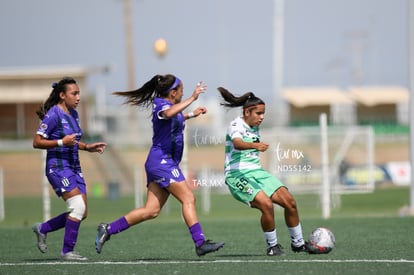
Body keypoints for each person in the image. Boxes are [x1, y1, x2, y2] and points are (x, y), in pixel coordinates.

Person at [95, 74, 224, 256]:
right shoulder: (162, 105)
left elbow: (174, 118)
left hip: (163, 162)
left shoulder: (172, 107)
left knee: (151, 210)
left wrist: (191, 115)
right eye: (181, 90)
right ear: (173, 93)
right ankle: (200, 243)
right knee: (189, 198)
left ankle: (108, 229)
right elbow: (168, 114)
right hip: (162, 162)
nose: (183, 93)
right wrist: (193, 98)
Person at [217, 87, 309, 256]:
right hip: (236, 175)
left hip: (257, 172)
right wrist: (255, 145)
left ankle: (298, 244)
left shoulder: (253, 125)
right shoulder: (236, 125)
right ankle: (272, 247)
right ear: (247, 112)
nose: (262, 117)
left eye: (263, 113)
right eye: (258, 113)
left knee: (291, 203)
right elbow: (237, 143)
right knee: (266, 205)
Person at [32, 77, 107, 261]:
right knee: (77, 207)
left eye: (79, 93)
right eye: (74, 93)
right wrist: (60, 142)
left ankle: (43, 228)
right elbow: (36, 142)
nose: (78, 97)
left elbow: (72, 141)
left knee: (82, 212)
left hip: (74, 167)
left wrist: (87, 147)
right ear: (62, 95)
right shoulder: (53, 115)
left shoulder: (73, 114)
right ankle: (67, 252)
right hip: (57, 167)